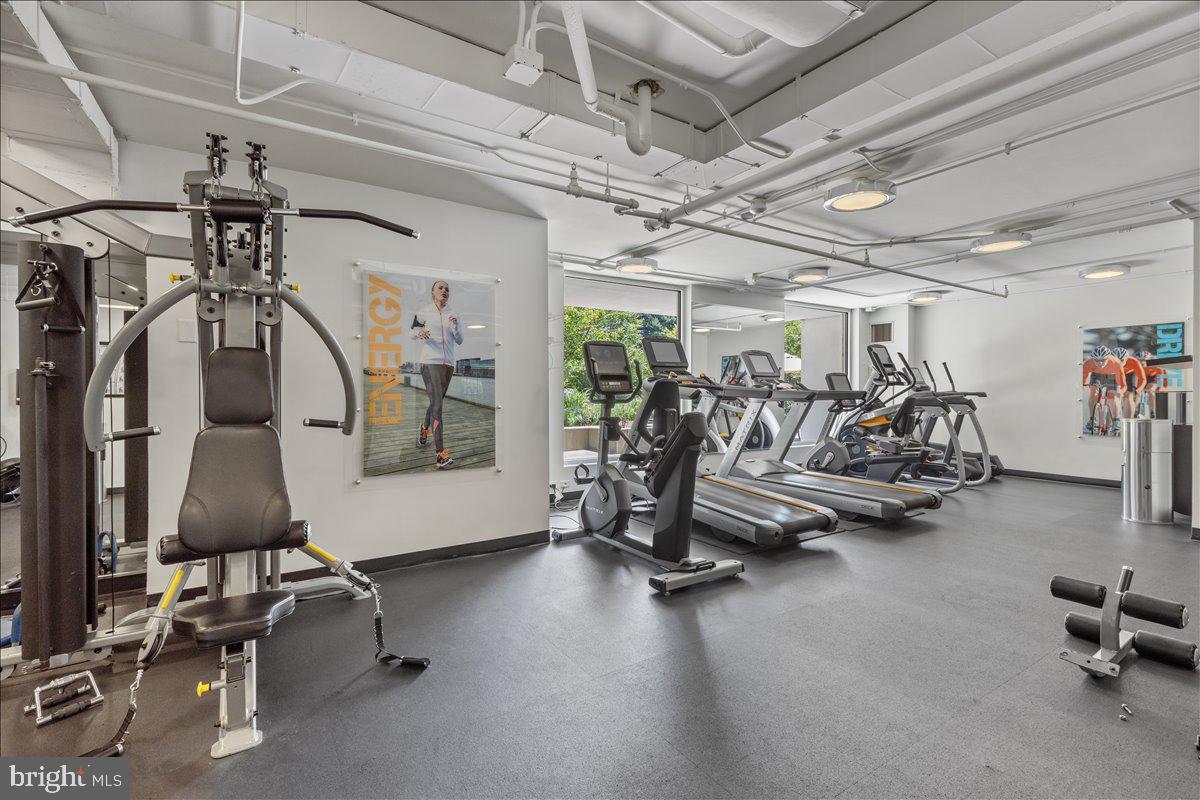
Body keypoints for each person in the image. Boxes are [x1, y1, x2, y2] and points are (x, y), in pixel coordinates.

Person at [410, 279, 462, 469]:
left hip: (448, 365)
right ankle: (440, 454)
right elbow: (412, 332)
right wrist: (420, 333)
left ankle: (424, 428)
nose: (444, 291)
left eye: (447, 289)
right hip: (430, 361)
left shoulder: (453, 314)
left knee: (435, 403)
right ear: (433, 293)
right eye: (440, 288)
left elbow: (460, 340)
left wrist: (455, 327)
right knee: (438, 406)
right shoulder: (424, 312)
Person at [1081, 344, 1122, 435]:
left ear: (1108, 357)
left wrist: (1121, 387)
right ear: (1093, 359)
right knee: (1093, 393)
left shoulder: (1116, 362)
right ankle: (1092, 420)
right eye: (1097, 360)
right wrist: (1081, 386)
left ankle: (1116, 421)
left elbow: (1121, 376)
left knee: (1112, 396)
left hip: (1111, 375)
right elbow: (1083, 376)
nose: (1100, 363)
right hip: (1096, 375)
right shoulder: (1088, 363)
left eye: (1103, 360)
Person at [1112, 346, 1146, 419]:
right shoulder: (1108, 362)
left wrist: (1138, 390)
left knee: (1129, 395)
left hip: (1130, 374)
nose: (1119, 362)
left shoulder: (1134, 362)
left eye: (1122, 360)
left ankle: (1129, 420)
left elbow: (1143, 379)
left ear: (1126, 358)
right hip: (1116, 374)